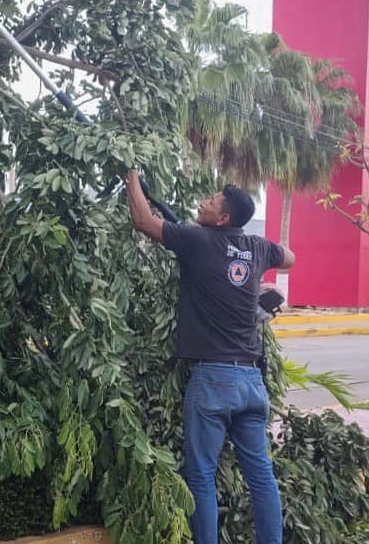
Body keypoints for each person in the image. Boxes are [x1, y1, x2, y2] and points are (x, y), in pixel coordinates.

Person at [126, 170, 294, 544]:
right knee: (262, 476)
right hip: (251, 384)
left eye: (212, 202)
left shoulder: (197, 240)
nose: (204, 201)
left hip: (214, 381)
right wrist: (256, 280)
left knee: (201, 475)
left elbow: (142, 221)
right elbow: (291, 258)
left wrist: (132, 178)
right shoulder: (255, 247)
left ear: (222, 219)